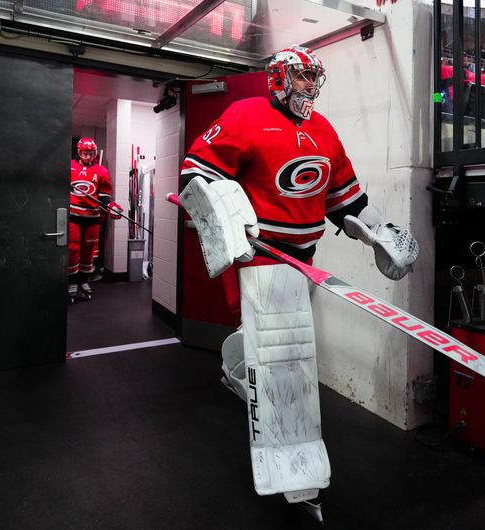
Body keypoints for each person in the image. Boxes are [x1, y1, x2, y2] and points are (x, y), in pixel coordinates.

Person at [178, 45, 419, 509]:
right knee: (285, 357)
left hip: (304, 259)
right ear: (278, 77)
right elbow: (197, 173)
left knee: (278, 342)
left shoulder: (323, 130)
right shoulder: (246, 115)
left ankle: (236, 370)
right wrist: (225, 223)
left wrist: (380, 232)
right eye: (303, 76)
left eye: (314, 77)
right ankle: (289, 460)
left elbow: (345, 199)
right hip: (261, 255)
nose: (310, 85)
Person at [69, 138, 120, 303]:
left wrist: (111, 206)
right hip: (73, 217)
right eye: (85, 153)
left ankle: (84, 281)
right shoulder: (70, 166)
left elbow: (104, 196)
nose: (88, 156)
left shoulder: (102, 171)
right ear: (79, 152)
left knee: (88, 251)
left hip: (92, 218)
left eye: (91, 153)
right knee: (72, 250)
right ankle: (71, 283)